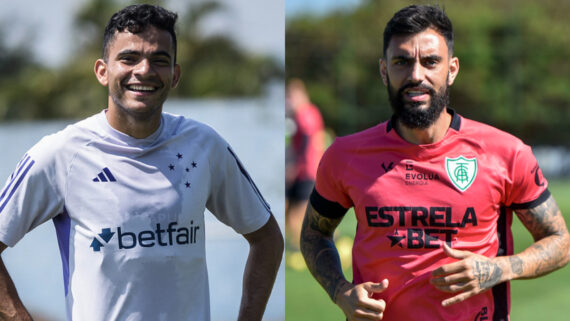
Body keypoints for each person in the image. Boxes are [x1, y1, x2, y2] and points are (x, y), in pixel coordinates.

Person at [0, 4, 283, 321]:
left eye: (159, 60)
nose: (145, 70)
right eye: (129, 58)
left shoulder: (205, 146)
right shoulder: (61, 154)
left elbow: (267, 238)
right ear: (102, 71)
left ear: (174, 75)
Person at [300, 4, 569, 321]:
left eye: (430, 62)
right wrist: (341, 292)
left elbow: (560, 242)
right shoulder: (345, 155)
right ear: (384, 70)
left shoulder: (507, 153)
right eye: (401, 62)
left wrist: (499, 268)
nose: (416, 75)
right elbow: (313, 234)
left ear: (452, 69)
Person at [285, 78, 325, 250]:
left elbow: (307, 141)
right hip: (302, 171)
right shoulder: (302, 113)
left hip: (307, 171)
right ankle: (298, 245)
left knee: (297, 214)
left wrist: (294, 164)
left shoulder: (305, 114)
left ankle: (303, 247)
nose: (289, 101)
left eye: (292, 96)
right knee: (288, 210)